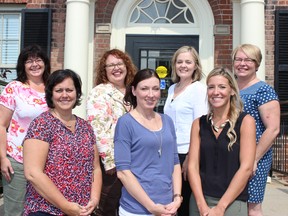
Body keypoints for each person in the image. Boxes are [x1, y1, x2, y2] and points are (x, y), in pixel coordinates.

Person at [23, 69, 102, 216]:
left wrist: (95, 199)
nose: (64, 95)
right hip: (46, 210)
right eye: (59, 90)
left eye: (69, 90)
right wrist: (65, 206)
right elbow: (32, 173)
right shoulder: (41, 124)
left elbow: (95, 168)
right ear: (51, 94)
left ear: (77, 93)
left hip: (82, 210)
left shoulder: (86, 127)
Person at [188, 67, 256, 216]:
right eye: (211, 87)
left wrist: (221, 207)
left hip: (232, 201)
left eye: (222, 87)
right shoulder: (198, 124)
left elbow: (246, 168)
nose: (216, 92)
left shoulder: (246, 122)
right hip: (201, 200)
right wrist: (201, 204)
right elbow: (192, 166)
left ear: (232, 90)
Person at [114, 68, 182, 216]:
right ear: (134, 91)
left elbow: (175, 162)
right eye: (144, 89)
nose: (151, 94)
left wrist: (177, 197)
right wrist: (151, 206)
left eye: (155, 89)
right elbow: (123, 173)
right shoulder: (125, 123)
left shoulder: (167, 121)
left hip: (168, 208)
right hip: (137, 210)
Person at [0, 44, 50, 216]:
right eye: (29, 61)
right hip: (17, 159)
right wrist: (2, 158)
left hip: (49, 161)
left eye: (38, 60)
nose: (34, 64)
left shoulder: (53, 88)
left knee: (44, 210)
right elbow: (1, 124)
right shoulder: (14, 88)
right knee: (15, 211)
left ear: (45, 63)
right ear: (23, 65)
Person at [86, 49, 137, 216]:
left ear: (127, 66)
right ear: (104, 70)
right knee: (107, 205)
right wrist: (109, 162)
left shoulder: (133, 92)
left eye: (119, 63)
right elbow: (98, 129)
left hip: (133, 159)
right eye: (111, 65)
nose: (116, 68)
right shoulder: (100, 92)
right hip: (112, 163)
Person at [232, 44, 280, 216]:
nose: (242, 63)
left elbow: (273, 129)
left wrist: (254, 159)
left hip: (254, 157)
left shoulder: (263, 90)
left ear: (257, 64)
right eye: (238, 59)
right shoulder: (231, 87)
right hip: (232, 154)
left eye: (248, 60)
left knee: (252, 205)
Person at [163, 45, 208, 215]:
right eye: (180, 61)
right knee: (173, 199)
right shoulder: (172, 89)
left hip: (187, 153)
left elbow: (200, 125)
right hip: (170, 152)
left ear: (196, 65)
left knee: (185, 201)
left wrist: (191, 156)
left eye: (188, 62)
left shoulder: (198, 90)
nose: (183, 65)